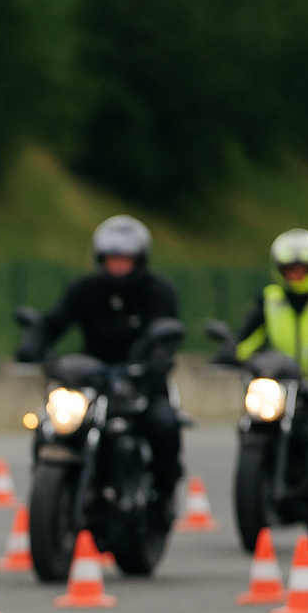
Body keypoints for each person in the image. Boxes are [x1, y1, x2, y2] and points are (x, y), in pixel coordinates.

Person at [16, 214, 183, 525]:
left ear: (139, 259)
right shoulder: (86, 289)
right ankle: (49, 486)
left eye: (125, 258)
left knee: (163, 425)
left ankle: (162, 497)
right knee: (47, 424)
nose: (118, 264)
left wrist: (158, 356)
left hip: (141, 381)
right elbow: (54, 322)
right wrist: (35, 342)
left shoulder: (157, 291)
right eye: (112, 258)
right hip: (91, 380)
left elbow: (165, 327)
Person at [225, 227, 308, 475]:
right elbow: (247, 337)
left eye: (301, 269)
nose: (296, 275)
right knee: (252, 422)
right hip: (281, 383)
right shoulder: (270, 299)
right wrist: (231, 353)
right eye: (290, 269)